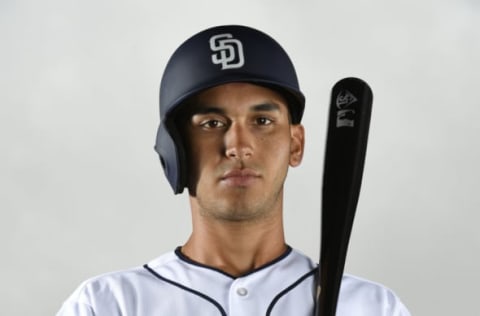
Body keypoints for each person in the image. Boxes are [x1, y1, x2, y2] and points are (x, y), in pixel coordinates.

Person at [57, 25, 411, 316]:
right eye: (211, 122)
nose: (239, 145)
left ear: (296, 144)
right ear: (173, 150)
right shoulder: (108, 305)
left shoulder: (371, 308)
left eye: (262, 120)